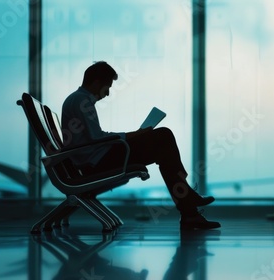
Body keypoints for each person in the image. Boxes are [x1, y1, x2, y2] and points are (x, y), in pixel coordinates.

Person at [61, 61, 220, 230]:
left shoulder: (77, 100)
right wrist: (134, 135)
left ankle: (188, 206)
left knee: (163, 141)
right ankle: (188, 204)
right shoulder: (81, 101)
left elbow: (94, 138)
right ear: (97, 83)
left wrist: (133, 136)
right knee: (163, 137)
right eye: (107, 87)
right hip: (96, 163)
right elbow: (97, 137)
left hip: (96, 159)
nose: (107, 94)